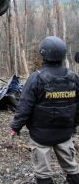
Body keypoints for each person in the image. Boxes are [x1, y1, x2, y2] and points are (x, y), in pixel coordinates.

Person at [10, 36, 79, 184]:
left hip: (40, 137)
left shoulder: (36, 78)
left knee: (43, 172)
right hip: (65, 134)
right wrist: (73, 125)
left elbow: (24, 106)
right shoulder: (74, 77)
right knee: (72, 168)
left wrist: (15, 127)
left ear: (43, 54)